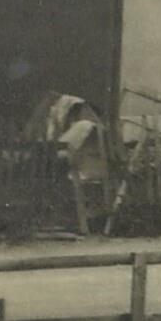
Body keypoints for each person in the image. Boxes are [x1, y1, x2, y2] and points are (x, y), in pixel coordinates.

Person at [47, 95, 111, 236]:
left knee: (53, 169)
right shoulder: (93, 127)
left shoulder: (84, 126)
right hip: (89, 167)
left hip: (87, 170)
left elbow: (61, 150)